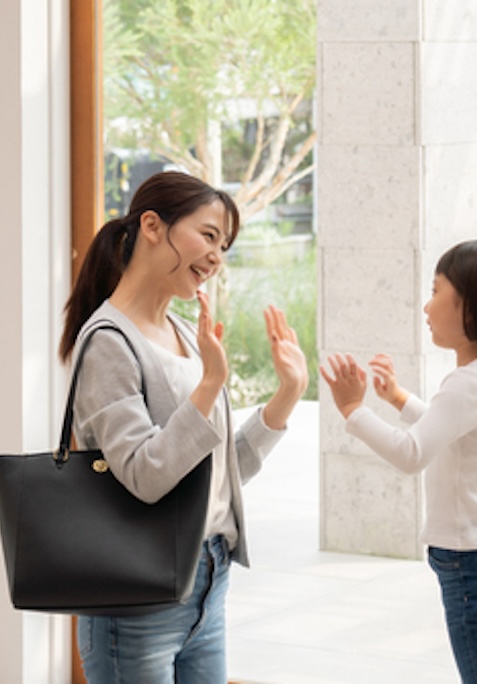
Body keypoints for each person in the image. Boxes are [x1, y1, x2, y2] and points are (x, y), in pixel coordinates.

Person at [58, 171, 308, 684]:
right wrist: (211, 383)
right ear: (153, 225)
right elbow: (145, 475)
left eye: (225, 245)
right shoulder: (108, 341)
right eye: (209, 235)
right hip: (138, 601)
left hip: (208, 583)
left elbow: (218, 471)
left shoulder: (185, 337)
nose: (218, 256)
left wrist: (287, 395)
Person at [320, 239, 477, 684]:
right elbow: (448, 434)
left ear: (470, 309)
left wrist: (352, 410)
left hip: (474, 565)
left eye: (437, 291)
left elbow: (412, 453)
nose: (426, 305)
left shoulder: (466, 384)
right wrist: (399, 399)